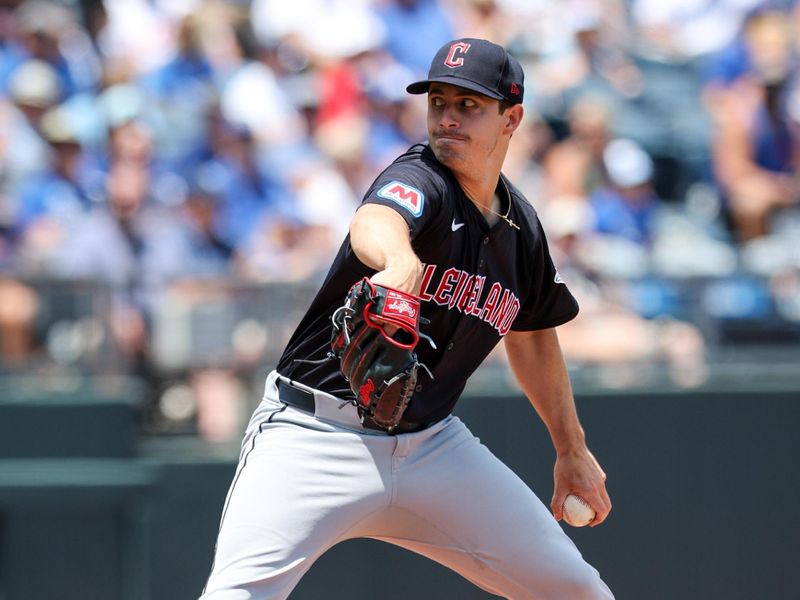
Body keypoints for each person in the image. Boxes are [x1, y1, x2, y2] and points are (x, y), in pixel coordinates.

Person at [200, 38, 614, 599]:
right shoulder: (421, 177)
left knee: (578, 592)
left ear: (511, 118)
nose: (447, 117)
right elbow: (376, 218)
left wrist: (571, 448)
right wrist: (397, 260)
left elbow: (535, 338)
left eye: (468, 105)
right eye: (438, 101)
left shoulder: (524, 230)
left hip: (432, 447)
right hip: (314, 435)